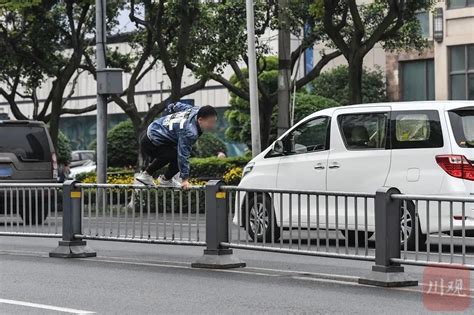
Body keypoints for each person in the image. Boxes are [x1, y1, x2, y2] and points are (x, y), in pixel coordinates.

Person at [136, 102, 218, 189]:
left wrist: (169, 112)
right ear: (200, 120)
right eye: (210, 122)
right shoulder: (190, 132)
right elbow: (183, 155)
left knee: (174, 153)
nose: (212, 126)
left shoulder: (194, 110)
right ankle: (152, 176)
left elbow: (176, 105)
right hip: (151, 141)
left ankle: (164, 179)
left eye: (214, 122)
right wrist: (185, 180)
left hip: (151, 131)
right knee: (176, 155)